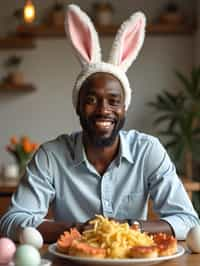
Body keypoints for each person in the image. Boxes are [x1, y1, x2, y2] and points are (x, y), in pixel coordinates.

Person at [0, 4, 199, 243]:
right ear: (78, 106)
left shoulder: (148, 151)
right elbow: (12, 220)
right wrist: (77, 229)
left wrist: (131, 227)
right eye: (91, 100)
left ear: (124, 108)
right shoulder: (51, 156)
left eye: (114, 101)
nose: (104, 109)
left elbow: (188, 220)